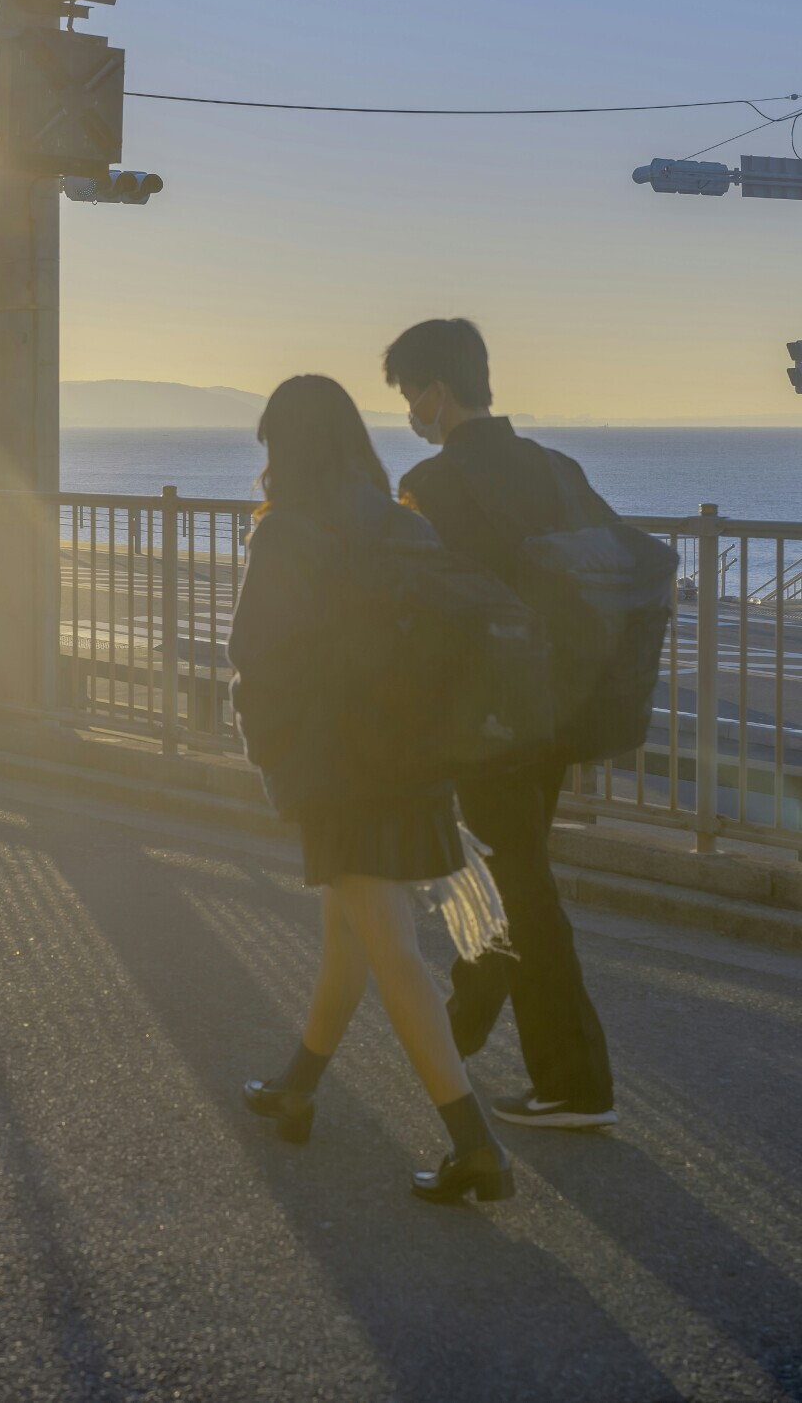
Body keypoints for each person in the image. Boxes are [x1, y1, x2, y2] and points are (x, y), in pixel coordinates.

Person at [227, 374, 516, 1204]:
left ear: (285, 448)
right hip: (414, 757)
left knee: (392, 953)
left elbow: (256, 651)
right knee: (349, 936)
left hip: (340, 768)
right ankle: (297, 1087)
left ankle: (476, 1146)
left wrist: (270, 744)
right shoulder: (400, 524)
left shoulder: (289, 535)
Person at [383, 318, 617, 1131]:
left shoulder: (431, 485)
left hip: (481, 720)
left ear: (438, 392)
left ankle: (575, 1083)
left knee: (517, 881)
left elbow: (408, 604)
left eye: (412, 392)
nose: (411, 408)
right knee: (508, 866)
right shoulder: (559, 470)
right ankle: (463, 1024)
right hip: (557, 711)